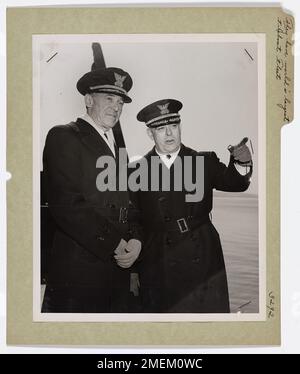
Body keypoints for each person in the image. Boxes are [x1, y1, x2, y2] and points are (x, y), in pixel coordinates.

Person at [131, 98, 253, 313]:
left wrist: (242, 162)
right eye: (161, 128)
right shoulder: (136, 170)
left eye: (174, 126)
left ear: (180, 127)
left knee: (208, 326)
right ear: (150, 134)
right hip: (157, 262)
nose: (169, 134)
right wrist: (132, 271)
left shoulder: (203, 161)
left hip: (204, 259)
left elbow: (234, 183)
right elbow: (134, 220)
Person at [41, 65, 141, 313]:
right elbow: (66, 205)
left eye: (120, 101)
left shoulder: (117, 151)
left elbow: (129, 204)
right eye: (108, 98)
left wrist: (137, 239)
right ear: (88, 99)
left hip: (116, 270)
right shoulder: (64, 136)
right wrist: (115, 243)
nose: (116, 107)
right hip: (78, 273)